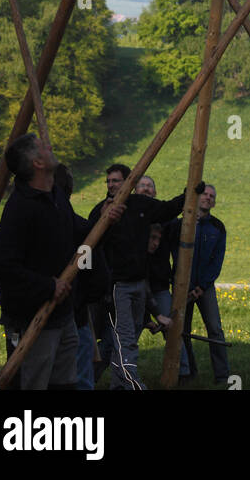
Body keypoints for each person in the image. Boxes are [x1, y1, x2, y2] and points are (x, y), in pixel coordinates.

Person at [0, 133, 117, 389]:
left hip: (63, 315)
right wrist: (48, 286)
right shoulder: (21, 207)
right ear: (37, 163)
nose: (50, 147)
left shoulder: (55, 196)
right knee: (33, 383)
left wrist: (103, 222)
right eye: (43, 147)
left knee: (64, 384)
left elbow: (80, 238)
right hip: (33, 318)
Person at [87, 163, 202, 391]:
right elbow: (89, 242)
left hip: (140, 282)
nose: (111, 185)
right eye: (108, 181)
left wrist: (190, 192)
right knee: (125, 339)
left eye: (116, 181)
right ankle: (132, 385)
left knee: (126, 339)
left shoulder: (140, 204)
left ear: (129, 182)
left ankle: (118, 385)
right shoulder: (102, 210)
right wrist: (104, 220)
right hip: (117, 286)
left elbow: (168, 209)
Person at [175, 185, 229, 384]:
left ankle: (222, 376)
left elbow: (217, 260)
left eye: (211, 196)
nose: (207, 198)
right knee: (183, 330)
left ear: (214, 202)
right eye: (204, 194)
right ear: (197, 198)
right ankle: (188, 373)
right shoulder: (182, 224)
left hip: (205, 289)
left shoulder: (218, 227)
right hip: (182, 287)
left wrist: (202, 286)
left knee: (215, 329)